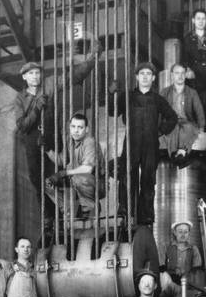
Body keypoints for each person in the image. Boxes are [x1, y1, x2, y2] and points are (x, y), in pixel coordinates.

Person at [14, 51, 100, 217]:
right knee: (37, 180)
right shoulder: (20, 98)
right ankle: (51, 215)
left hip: (51, 136)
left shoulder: (49, 83)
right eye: (31, 74)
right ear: (24, 77)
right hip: (32, 140)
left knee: (60, 173)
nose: (35, 77)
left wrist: (91, 61)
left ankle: (80, 207)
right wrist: (36, 108)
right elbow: (22, 126)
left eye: (37, 73)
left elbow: (72, 77)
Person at [114, 61, 178, 226]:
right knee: (128, 176)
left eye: (148, 74)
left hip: (151, 145)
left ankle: (146, 216)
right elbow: (111, 112)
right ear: (136, 77)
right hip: (132, 143)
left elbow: (172, 117)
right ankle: (124, 210)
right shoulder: (127, 96)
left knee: (148, 180)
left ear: (153, 78)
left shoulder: (158, 99)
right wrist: (110, 94)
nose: (144, 77)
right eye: (141, 73)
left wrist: (160, 131)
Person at [47, 111, 105, 217]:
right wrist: (47, 150)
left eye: (80, 127)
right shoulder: (71, 142)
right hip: (76, 181)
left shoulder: (90, 142)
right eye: (73, 126)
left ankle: (90, 208)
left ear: (86, 129)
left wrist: (64, 173)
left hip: (97, 183)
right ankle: (71, 210)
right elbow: (61, 160)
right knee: (47, 183)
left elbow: (87, 169)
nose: (76, 130)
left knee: (80, 177)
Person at [160, 64, 205, 162]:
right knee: (172, 129)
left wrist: (201, 127)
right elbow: (159, 111)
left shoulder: (192, 92)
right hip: (171, 122)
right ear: (172, 75)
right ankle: (173, 154)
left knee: (188, 128)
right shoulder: (164, 92)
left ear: (185, 75)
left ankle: (182, 153)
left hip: (187, 121)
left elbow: (199, 110)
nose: (180, 76)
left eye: (182, 73)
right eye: (177, 73)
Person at [161, 221, 203, 297]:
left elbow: (196, 270)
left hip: (187, 284)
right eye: (180, 232)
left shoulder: (194, 249)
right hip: (170, 283)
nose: (183, 235)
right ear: (174, 232)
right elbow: (161, 268)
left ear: (189, 233)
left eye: (186, 232)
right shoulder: (167, 247)